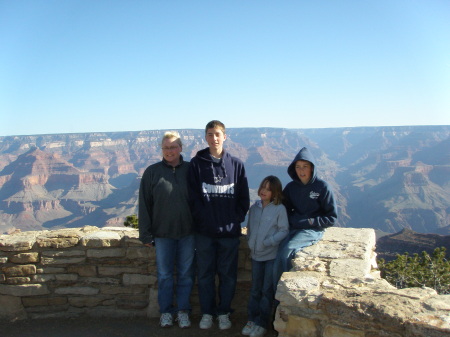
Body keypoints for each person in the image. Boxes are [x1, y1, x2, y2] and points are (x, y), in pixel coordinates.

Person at [188, 120, 250, 330]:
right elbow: (193, 198)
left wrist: (235, 220)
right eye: (210, 134)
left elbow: (243, 198)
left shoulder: (237, 164)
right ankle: (207, 312)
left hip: (229, 234)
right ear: (205, 138)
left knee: (228, 276)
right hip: (204, 234)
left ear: (225, 137)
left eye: (217, 134)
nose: (214, 138)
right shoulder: (196, 164)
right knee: (204, 275)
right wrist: (203, 220)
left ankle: (224, 312)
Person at [138, 131, 195, 329]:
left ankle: (183, 311)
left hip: (188, 233)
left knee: (186, 274)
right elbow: (144, 204)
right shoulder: (152, 172)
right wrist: (145, 233)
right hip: (162, 234)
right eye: (166, 147)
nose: (169, 151)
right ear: (161, 149)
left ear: (180, 148)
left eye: (173, 147)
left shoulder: (191, 170)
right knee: (164, 276)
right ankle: (166, 312)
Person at [273, 147, 337, 288]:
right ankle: (273, 290)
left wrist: (310, 221)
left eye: (305, 167)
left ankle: (284, 288)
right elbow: (283, 208)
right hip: (294, 226)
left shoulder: (323, 187)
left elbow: (331, 217)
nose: (301, 171)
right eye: (298, 167)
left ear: (312, 168)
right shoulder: (291, 187)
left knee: (287, 250)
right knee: (276, 249)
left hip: (312, 229)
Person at [242, 176, 289, 337]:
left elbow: (284, 230)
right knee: (255, 290)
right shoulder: (254, 208)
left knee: (266, 290)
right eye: (263, 187)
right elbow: (249, 227)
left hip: (270, 256)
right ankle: (252, 319)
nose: (263, 191)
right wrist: (249, 241)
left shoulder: (279, 209)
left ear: (275, 192)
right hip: (255, 256)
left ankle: (262, 322)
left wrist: (268, 242)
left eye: (268, 189)